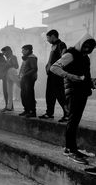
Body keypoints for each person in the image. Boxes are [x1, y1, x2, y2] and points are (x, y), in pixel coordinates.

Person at [50, 34, 96, 165]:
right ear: (81, 43)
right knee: (73, 120)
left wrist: (91, 82)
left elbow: (85, 76)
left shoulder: (85, 57)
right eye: (86, 46)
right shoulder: (71, 54)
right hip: (73, 91)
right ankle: (71, 150)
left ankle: (69, 148)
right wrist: (69, 76)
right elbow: (54, 67)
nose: (88, 49)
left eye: (91, 47)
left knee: (75, 121)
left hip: (82, 91)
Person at [39, 30, 69, 122]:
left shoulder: (61, 45)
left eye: (48, 37)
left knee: (60, 95)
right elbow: (51, 59)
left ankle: (67, 114)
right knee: (49, 94)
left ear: (53, 36)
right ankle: (49, 113)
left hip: (57, 74)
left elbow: (64, 58)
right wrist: (47, 66)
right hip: (51, 74)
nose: (47, 40)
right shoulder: (53, 46)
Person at [18, 44, 38, 118]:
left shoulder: (32, 58)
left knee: (29, 95)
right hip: (24, 79)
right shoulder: (26, 58)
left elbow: (34, 69)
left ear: (27, 50)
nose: (22, 51)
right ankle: (26, 110)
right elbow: (22, 67)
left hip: (29, 79)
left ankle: (32, 111)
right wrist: (20, 75)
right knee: (23, 95)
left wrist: (25, 75)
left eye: (23, 50)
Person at [1, 46, 20, 112]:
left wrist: (8, 64)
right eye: (3, 53)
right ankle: (9, 107)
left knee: (20, 85)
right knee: (9, 91)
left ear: (8, 51)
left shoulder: (13, 57)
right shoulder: (7, 58)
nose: (4, 54)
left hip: (12, 72)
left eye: (4, 52)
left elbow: (16, 66)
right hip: (8, 74)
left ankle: (31, 98)